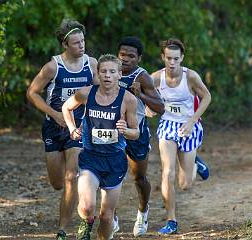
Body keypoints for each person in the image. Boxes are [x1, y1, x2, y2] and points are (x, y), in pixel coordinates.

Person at [26, 19, 98, 240]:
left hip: (78, 126)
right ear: (65, 45)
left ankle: (63, 230)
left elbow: (99, 90)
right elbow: (32, 93)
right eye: (76, 43)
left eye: (83, 41)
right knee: (58, 183)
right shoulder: (53, 67)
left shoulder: (91, 63)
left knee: (70, 176)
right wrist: (55, 113)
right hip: (53, 126)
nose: (81, 46)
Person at [62, 54, 140, 240]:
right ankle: (86, 222)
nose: (107, 75)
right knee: (87, 207)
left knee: (106, 216)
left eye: (112, 71)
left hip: (115, 161)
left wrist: (125, 130)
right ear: (97, 74)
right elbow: (66, 107)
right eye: (103, 71)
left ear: (119, 75)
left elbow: (136, 132)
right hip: (91, 158)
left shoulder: (128, 99)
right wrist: (72, 129)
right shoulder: (87, 93)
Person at [151, 38, 211, 235]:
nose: (172, 62)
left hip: (189, 126)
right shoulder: (156, 78)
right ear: (163, 57)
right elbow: (141, 94)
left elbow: (207, 97)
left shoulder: (191, 77)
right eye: (168, 58)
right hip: (168, 125)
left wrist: (193, 120)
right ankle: (171, 221)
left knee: (185, 184)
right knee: (167, 173)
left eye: (176, 58)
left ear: (182, 58)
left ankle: (195, 164)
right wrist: (148, 108)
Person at [113, 36, 165, 236]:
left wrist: (140, 94)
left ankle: (143, 212)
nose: (125, 59)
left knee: (139, 178)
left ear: (139, 58)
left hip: (137, 131)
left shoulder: (141, 77)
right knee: (110, 177)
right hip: (114, 130)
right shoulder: (108, 71)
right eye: (122, 55)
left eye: (131, 56)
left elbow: (160, 107)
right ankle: (111, 216)